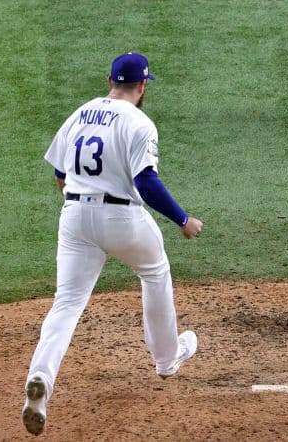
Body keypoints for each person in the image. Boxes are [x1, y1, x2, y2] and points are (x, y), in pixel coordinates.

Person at [21, 52, 203, 436]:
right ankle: (167, 360)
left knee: (67, 303)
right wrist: (183, 220)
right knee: (154, 273)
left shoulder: (80, 113)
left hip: (73, 215)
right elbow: (147, 182)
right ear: (142, 86)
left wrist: (83, 210)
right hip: (121, 218)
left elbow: (59, 173)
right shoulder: (140, 122)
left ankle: (40, 378)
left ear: (109, 81)